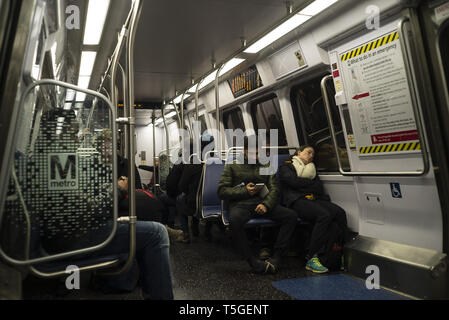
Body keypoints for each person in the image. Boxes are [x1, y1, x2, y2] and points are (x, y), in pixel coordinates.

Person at [217, 136, 297, 274]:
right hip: (241, 204)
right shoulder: (232, 166)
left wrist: (266, 204)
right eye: (253, 153)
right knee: (235, 221)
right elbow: (222, 191)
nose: (256, 156)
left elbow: (274, 188)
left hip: (262, 203)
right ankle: (252, 261)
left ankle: (277, 257)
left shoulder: (265, 165)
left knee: (291, 216)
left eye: (258, 152)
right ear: (245, 151)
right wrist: (245, 190)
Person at [279, 145, 349, 273]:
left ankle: (340, 253)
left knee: (340, 213)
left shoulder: (312, 168)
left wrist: (302, 184)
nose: (311, 156)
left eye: (313, 154)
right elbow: (292, 182)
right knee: (324, 215)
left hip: (314, 198)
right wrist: (308, 185)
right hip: (296, 200)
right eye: (308, 152)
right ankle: (311, 257)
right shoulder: (287, 165)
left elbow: (318, 188)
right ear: (299, 152)